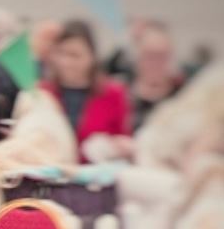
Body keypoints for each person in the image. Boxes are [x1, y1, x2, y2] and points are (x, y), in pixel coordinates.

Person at [39, 19, 131, 162]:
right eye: (61, 53)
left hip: (96, 176)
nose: (66, 62)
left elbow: (123, 139)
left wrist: (114, 146)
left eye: (75, 55)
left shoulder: (114, 93)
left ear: (92, 57)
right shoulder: (43, 92)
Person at [129, 21, 184, 131]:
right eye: (149, 55)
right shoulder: (121, 96)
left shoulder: (183, 97)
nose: (155, 63)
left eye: (161, 56)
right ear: (138, 57)